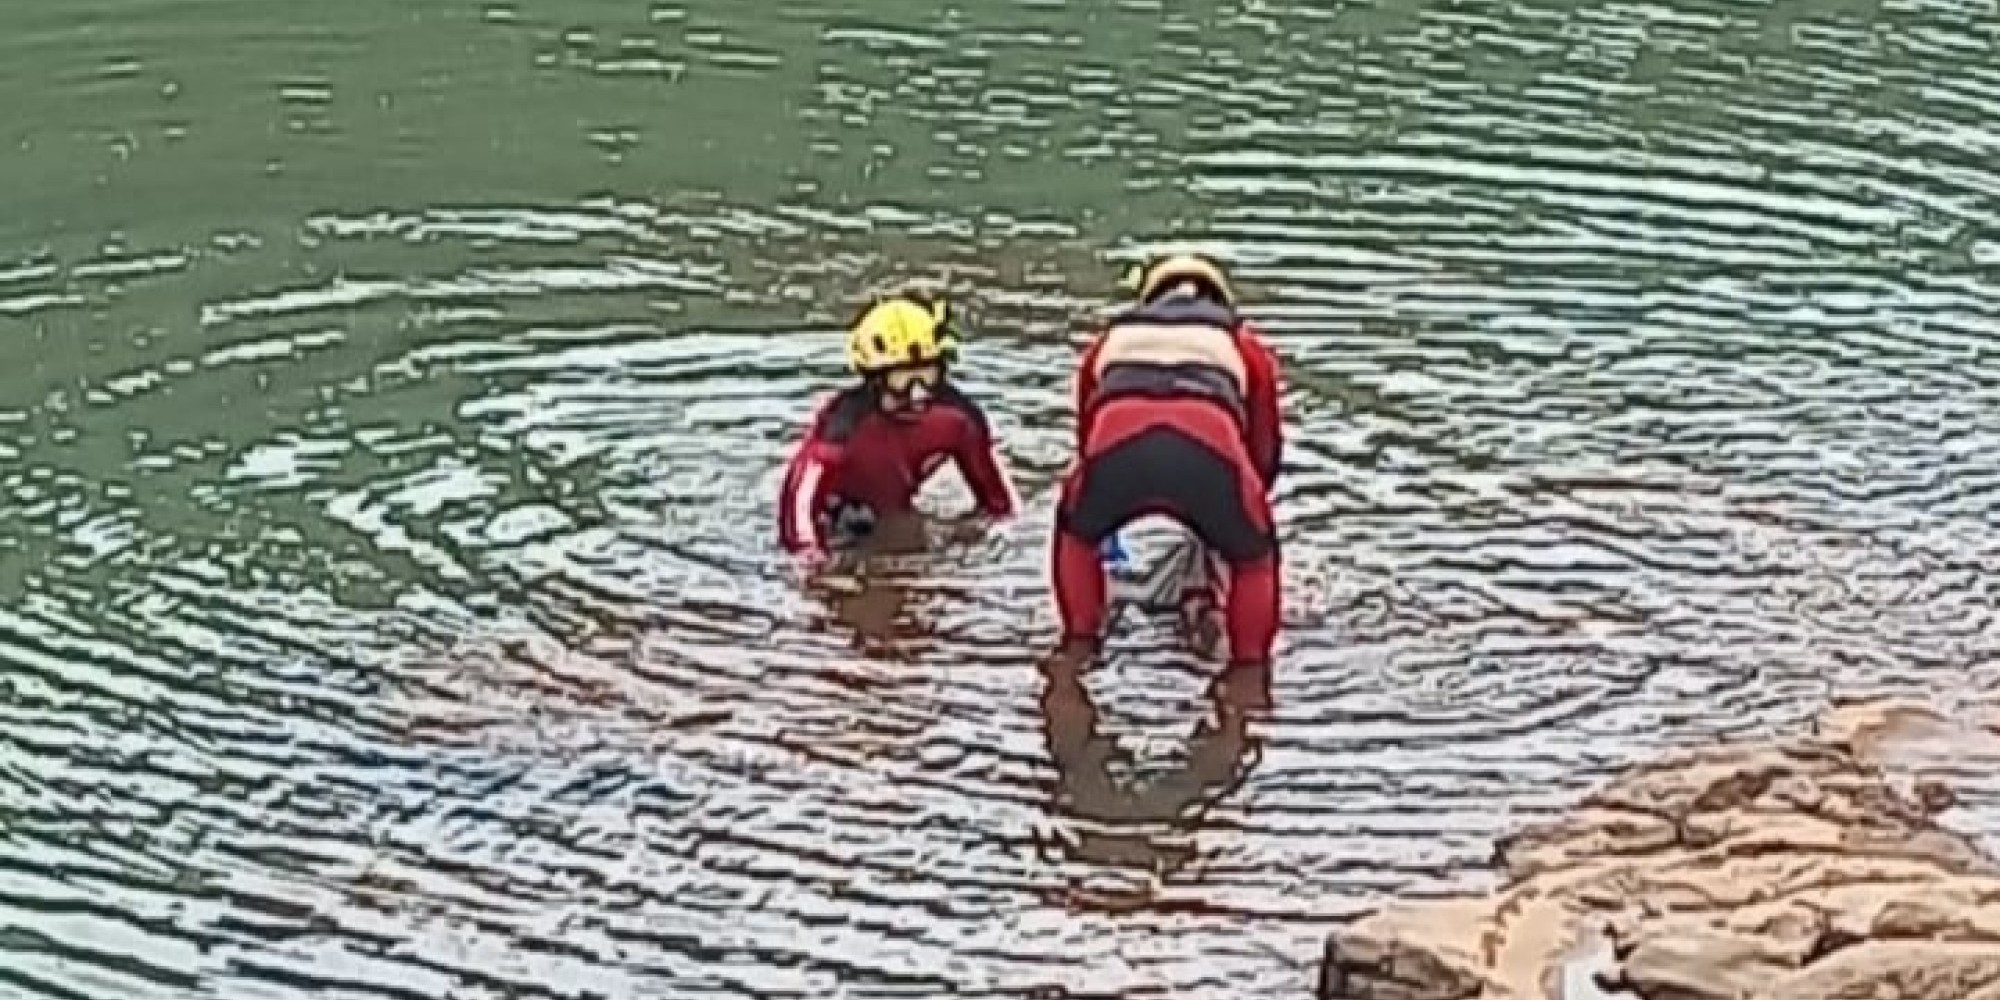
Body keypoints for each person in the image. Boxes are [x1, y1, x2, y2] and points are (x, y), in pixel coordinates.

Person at [1049, 253, 1284, 676]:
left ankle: (1076, 659)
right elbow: (1263, 453)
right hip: (1209, 448)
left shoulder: (1110, 340)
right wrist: (1236, 527)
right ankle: (1249, 688)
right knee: (1255, 560)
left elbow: (1087, 438)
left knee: (1075, 533)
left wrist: (1101, 510)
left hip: (1118, 446)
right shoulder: (1243, 344)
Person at [777, 292, 1020, 563]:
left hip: (896, 510)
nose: (918, 394)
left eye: (928, 375)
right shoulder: (841, 429)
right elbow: (799, 508)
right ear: (875, 379)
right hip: (839, 519)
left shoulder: (959, 420)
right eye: (902, 379)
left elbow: (998, 504)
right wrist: (812, 561)